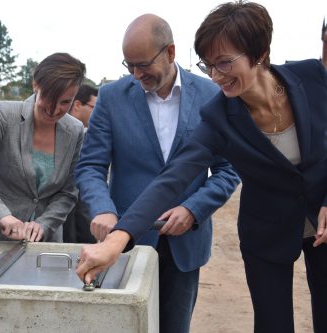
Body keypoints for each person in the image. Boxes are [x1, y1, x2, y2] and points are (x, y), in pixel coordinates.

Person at [76, 2, 327, 332]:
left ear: (260, 53)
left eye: (224, 63)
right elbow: (174, 176)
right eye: (208, 65)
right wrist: (118, 238)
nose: (215, 76)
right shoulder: (219, 116)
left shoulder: (312, 78)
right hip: (267, 232)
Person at [74, 13, 240, 333]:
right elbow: (91, 166)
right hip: (124, 242)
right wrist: (103, 209)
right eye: (129, 65)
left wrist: (193, 209)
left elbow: (227, 169)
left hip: (184, 245)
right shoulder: (111, 98)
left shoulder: (212, 96)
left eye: (143, 64)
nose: (136, 74)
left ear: (171, 52)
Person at [0, 52, 85, 243]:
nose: (54, 110)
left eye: (65, 102)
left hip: (44, 244)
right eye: (48, 97)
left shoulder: (75, 130)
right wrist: (0, 214)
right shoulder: (6, 114)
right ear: (35, 85)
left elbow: (68, 191)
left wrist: (44, 223)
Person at [63, 83, 98, 244]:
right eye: (94, 107)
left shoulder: (86, 135)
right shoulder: (62, 133)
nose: (97, 113)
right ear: (77, 105)